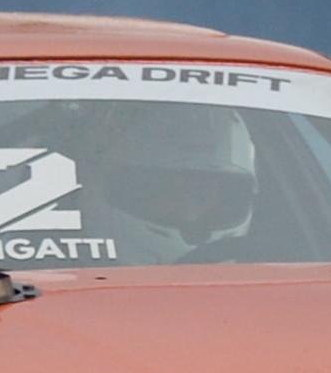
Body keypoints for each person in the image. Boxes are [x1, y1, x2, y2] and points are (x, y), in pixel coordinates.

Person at [73, 103, 258, 266]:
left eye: (202, 196)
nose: (190, 213)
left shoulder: (265, 274)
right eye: (170, 195)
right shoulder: (59, 275)